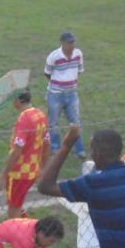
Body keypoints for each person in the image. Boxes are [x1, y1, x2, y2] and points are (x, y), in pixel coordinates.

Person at [0, 89, 50, 218]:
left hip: (19, 173)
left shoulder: (24, 119)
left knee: (13, 211)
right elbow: (47, 145)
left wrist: (3, 175)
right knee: (18, 205)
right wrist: (42, 168)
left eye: (12, 99)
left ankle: (21, 236)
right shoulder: (41, 115)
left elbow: (17, 150)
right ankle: (30, 231)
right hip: (32, 171)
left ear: (19, 100)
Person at [44, 31, 86, 159]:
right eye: (69, 43)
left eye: (73, 42)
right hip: (55, 94)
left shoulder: (78, 54)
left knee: (75, 122)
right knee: (54, 123)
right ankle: (55, 148)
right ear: (63, 43)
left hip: (72, 93)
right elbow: (47, 73)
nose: (72, 45)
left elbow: (79, 70)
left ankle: (80, 149)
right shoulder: (54, 56)